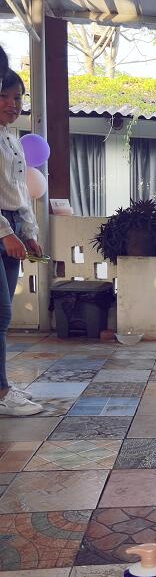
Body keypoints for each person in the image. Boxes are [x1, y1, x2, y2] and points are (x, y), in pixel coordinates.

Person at [0, 63, 43, 415]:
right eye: (5, 96)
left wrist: (28, 232)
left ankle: (2, 385)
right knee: (0, 312)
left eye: (18, 98)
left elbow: (20, 192)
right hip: (2, 228)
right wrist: (6, 233)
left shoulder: (12, 140)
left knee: (4, 314)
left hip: (12, 225)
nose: (13, 104)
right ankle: (1, 392)